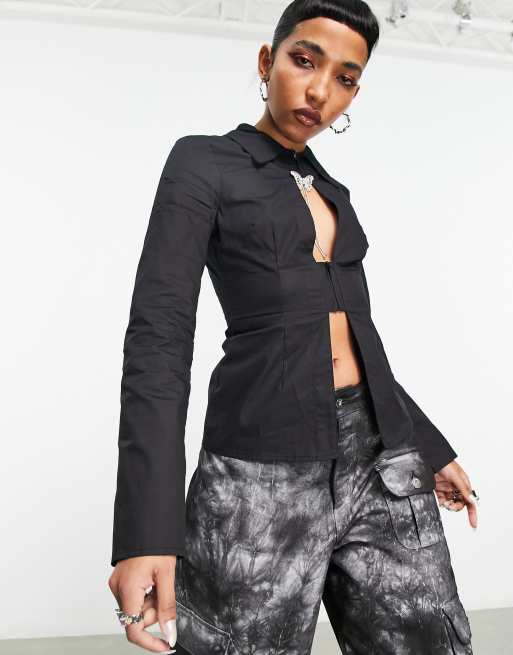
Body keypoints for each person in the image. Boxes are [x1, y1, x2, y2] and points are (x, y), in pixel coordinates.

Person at [108, 1, 479, 653]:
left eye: (344, 77)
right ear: (266, 60)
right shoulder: (203, 163)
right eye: (305, 60)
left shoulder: (332, 191)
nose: (319, 90)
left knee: (433, 642)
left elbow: (357, 340)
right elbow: (158, 338)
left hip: (381, 461)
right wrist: (145, 531)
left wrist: (429, 445)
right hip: (260, 473)